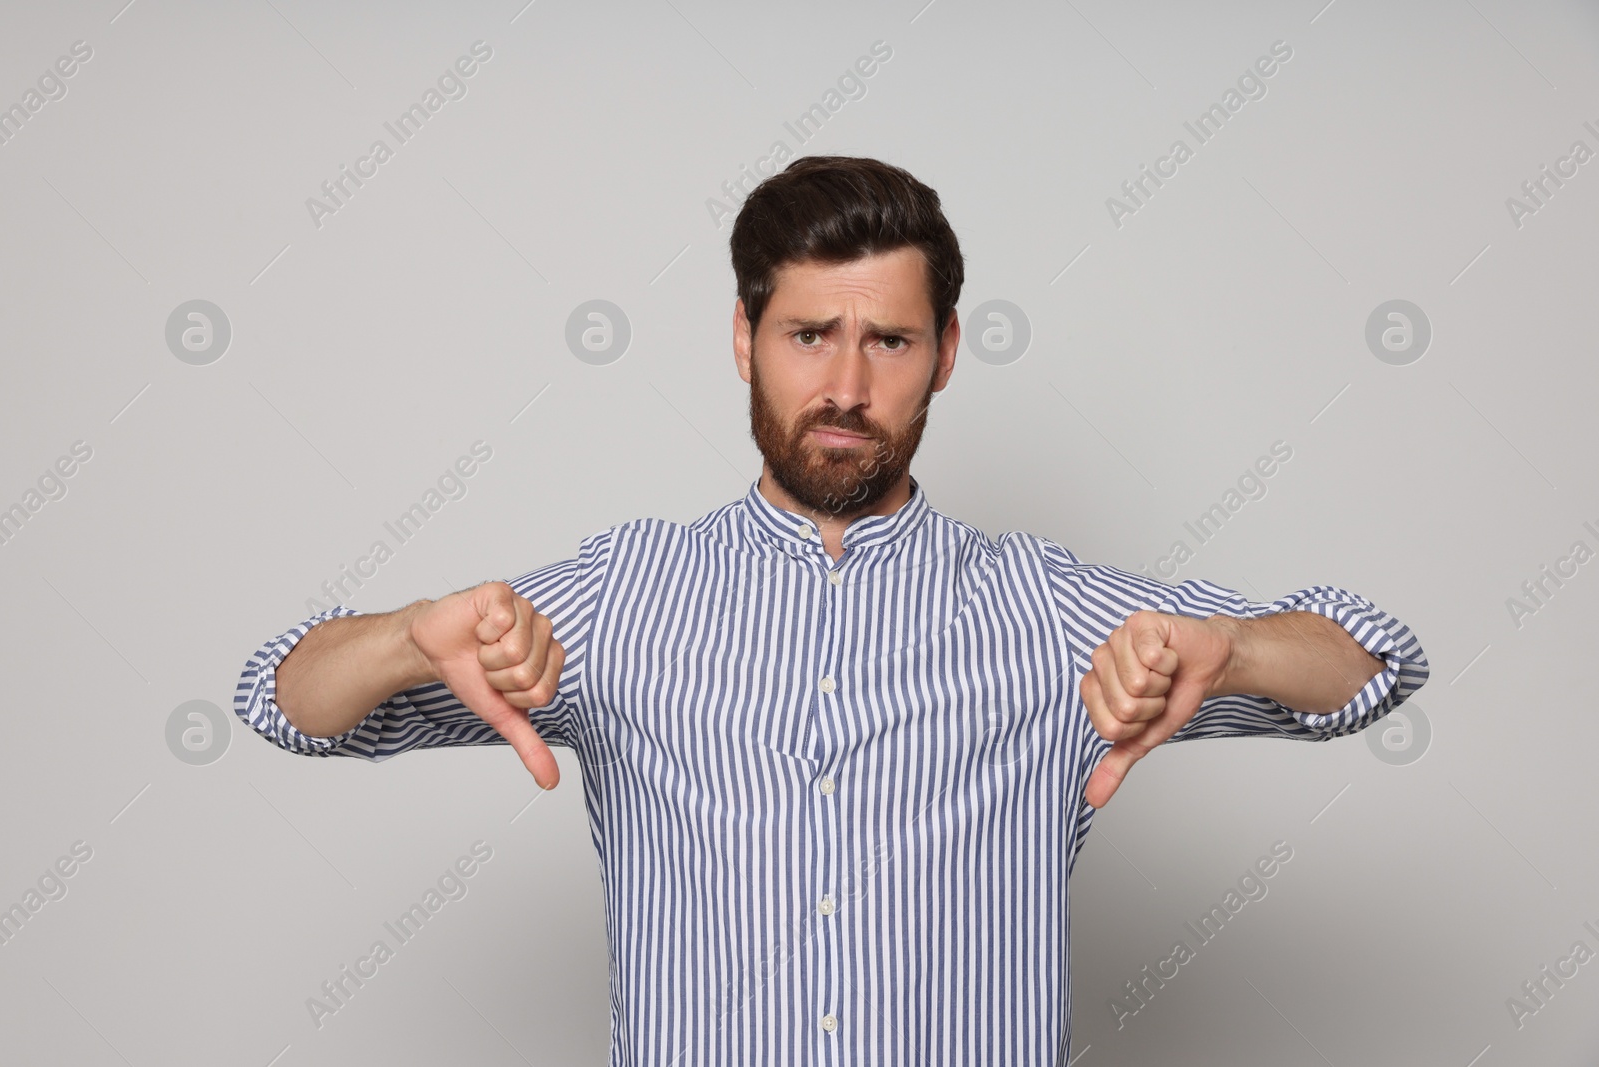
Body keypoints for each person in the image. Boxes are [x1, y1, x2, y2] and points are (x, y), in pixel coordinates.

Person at [234, 154, 1429, 1065]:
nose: (847, 388)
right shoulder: (616, 599)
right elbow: (283, 698)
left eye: (890, 340)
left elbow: (1375, 659)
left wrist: (1232, 651)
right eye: (809, 335)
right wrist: (404, 638)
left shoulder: (1050, 611)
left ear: (947, 351)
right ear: (744, 339)